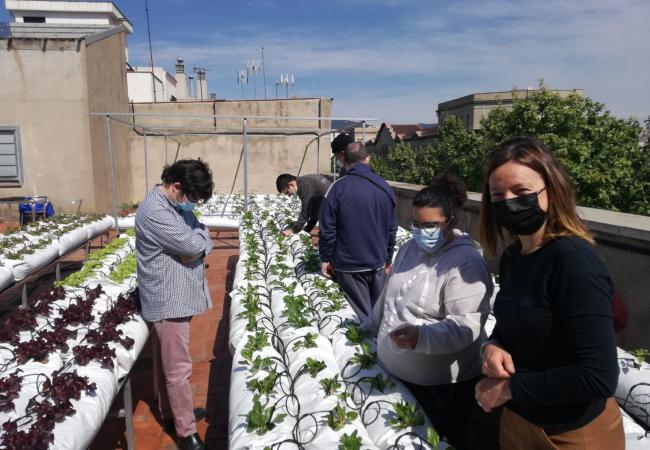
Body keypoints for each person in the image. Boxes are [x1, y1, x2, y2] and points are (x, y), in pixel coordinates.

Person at [475, 137, 623, 449]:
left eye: (521, 192)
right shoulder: (514, 256)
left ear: (551, 193)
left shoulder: (573, 261)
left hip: (571, 433)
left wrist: (508, 389)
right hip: (521, 422)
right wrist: (493, 345)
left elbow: (598, 377)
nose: (509, 202)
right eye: (498, 195)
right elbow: (515, 324)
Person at [362, 175, 494, 450]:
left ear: (451, 222)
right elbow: (390, 294)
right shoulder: (410, 247)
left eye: (431, 225)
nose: (423, 232)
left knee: (438, 440)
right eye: (417, 224)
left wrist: (421, 337)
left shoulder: (465, 263)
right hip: (398, 373)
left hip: (439, 386)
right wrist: (371, 324)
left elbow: (466, 325)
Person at [135, 159, 215, 450]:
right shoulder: (156, 210)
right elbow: (193, 246)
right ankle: (185, 431)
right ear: (176, 187)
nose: (191, 205)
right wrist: (197, 243)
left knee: (168, 362)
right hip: (168, 298)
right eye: (191, 198)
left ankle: (172, 414)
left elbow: (199, 232)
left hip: (177, 295)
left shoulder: (173, 205)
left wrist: (197, 241)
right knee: (177, 368)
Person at [318, 141, 397, 319]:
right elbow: (392, 229)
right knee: (379, 315)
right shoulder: (384, 188)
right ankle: (380, 344)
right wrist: (387, 259)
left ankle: (368, 344)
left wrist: (325, 258)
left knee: (361, 317)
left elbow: (327, 229)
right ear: (367, 159)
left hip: (348, 265)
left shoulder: (337, 188)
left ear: (344, 160)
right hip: (377, 262)